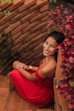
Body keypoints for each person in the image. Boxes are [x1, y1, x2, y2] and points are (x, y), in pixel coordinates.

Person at [8, 31, 65, 107]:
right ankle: (15, 86)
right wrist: (28, 67)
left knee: (14, 73)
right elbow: (40, 69)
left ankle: (12, 90)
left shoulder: (50, 65)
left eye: (52, 46)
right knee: (23, 70)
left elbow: (31, 77)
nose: (47, 48)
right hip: (40, 83)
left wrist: (17, 66)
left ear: (57, 49)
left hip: (41, 96)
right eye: (46, 43)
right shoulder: (49, 57)